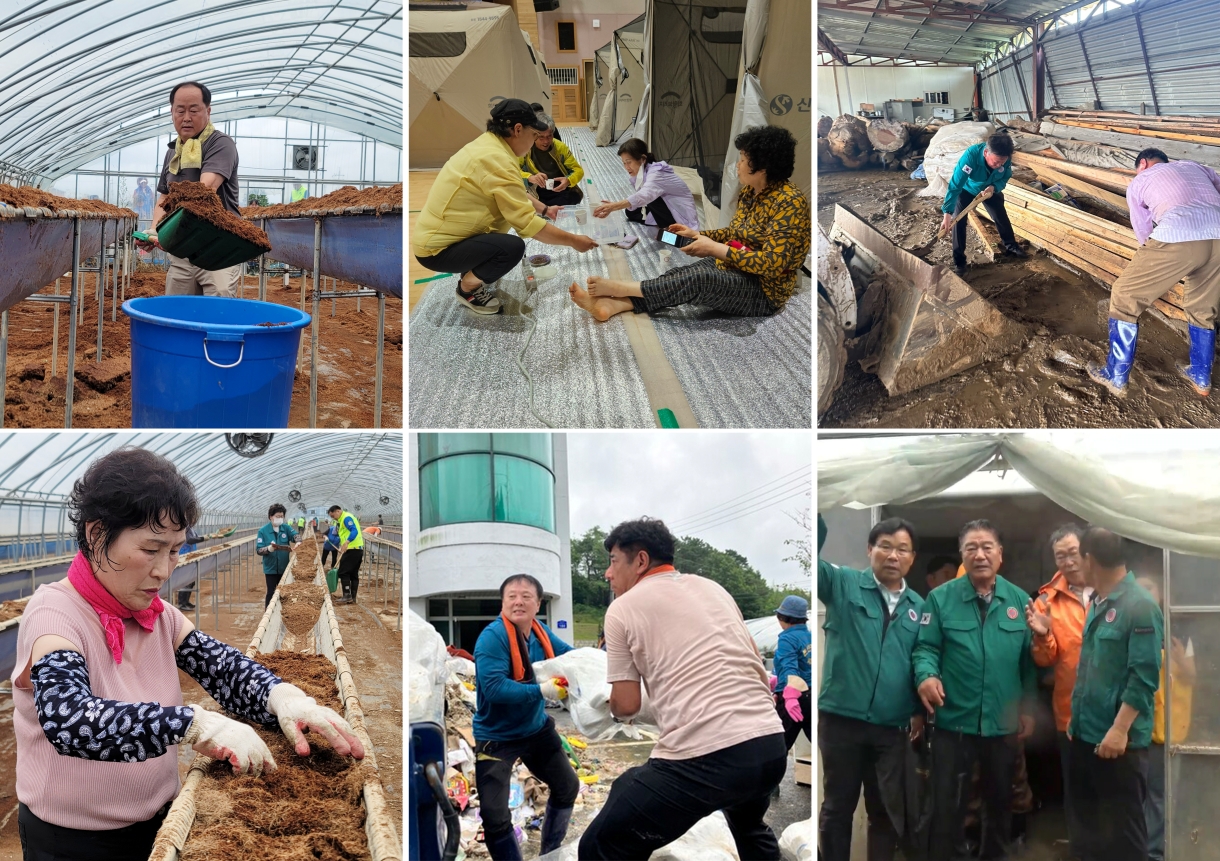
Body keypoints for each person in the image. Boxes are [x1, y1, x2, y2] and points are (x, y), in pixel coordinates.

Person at [11, 448, 363, 861]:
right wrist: (191, 723)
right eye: (151, 549)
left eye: (175, 550)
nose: (165, 570)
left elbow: (223, 670)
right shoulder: (55, 614)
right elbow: (70, 720)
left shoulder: (157, 615)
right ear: (96, 534)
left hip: (161, 821)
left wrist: (282, 697)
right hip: (76, 842)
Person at [579, 518, 786, 860]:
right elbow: (754, 671)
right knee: (749, 826)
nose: (608, 573)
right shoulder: (714, 589)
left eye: (614, 561)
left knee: (602, 844)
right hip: (769, 746)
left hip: (708, 757)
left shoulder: (622, 609)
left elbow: (627, 706)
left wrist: (605, 703)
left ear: (641, 561)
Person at [569, 125, 811, 321]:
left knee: (700, 280)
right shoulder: (751, 192)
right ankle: (614, 305)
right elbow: (734, 232)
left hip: (764, 290)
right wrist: (697, 234)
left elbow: (773, 264)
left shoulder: (789, 203)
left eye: (743, 159)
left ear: (762, 168)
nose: (737, 165)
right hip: (738, 266)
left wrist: (714, 248)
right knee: (684, 272)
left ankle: (620, 289)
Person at [914, 520, 1036, 861]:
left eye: (986, 547)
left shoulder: (1020, 600)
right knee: (949, 807)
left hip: (1002, 724)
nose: (979, 554)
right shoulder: (940, 600)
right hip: (955, 722)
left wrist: (1027, 707)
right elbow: (926, 648)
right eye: (971, 548)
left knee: (999, 804)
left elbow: (1028, 664)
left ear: (1000, 554)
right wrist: (926, 676)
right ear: (962, 556)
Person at [413, 99, 599, 315]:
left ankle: (471, 272)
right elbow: (529, 225)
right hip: (437, 250)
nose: (536, 141)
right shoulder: (497, 159)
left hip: (446, 237)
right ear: (518, 130)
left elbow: (511, 193)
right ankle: (467, 289)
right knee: (511, 248)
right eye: (534, 135)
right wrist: (575, 241)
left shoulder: (489, 145)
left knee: (501, 241)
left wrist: (546, 210)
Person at [816, 514, 924, 861]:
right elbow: (813, 561)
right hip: (841, 721)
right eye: (886, 547)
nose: (893, 556)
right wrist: (821, 507)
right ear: (870, 550)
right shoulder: (843, 584)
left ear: (912, 558)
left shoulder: (919, 608)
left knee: (885, 812)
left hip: (891, 728)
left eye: (902, 549)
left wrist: (918, 712)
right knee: (837, 807)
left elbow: (923, 660)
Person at [1087, 148, 1220, 397]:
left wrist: (1152, 257)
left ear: (1144, 164)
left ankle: (1115, 375)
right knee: (1203, 309)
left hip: (1179, 233)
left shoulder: (1141, 180)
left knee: (1124, 295)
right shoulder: (1196, 167)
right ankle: (1200, 377)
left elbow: (1143, 228)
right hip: (1219, 235)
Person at [1068, 527, 1162, 861]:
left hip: (1118, 746)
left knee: (1125, 839)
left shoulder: (1140, 606)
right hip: (1086, 736)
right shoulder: (1097, 601)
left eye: (1078, 557)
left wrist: (1120, 729)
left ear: (1089, 559)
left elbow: (1144, 677)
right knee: (1089, 835)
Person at [472, 574, 579, 860]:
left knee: (567, 786)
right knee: (494, 817)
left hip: (535, 730)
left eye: (526, 596)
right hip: (497, 738)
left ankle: (550, 853)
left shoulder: (540, 632)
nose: (518, 602)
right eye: (511, 596)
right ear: (503, 602)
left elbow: (569, 657)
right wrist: (542, 690)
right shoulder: (492, 639)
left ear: (538, 603)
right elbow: (494, 689)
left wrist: (596, 663)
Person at [134, 82, 244, 298]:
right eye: (180, 110)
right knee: (177, 310)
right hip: (183, 249)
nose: (186, 117)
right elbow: (165, 198)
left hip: (218, 247)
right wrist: (154, 233)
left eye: (193, 110)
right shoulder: (174, 152)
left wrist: (167, 233)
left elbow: (205, 191)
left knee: (217, 309)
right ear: (172, 112)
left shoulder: (220, 144)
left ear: (208, 111)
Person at [1025, 523, 1090, 858]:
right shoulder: (1046, 600)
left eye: (1073, 552)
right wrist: (1041, 635)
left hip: (1117, 715)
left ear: (1087, 551)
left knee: (1118, 797)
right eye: (1060, 555)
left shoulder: (1114, 587)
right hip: (1071, 716)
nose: (1067, 561)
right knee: (1077, 795)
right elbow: (1045, 659)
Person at [1134, 574, 1194, 861]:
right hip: (1136, 729)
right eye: (1138, 588)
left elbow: (1194, 677)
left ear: (1161, 593)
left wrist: (1180, 660)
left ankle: (1154, 853)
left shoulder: (1177, 632)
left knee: (1160, 796)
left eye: (1149, 587)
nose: (1143, 593)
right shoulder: (1131, 627)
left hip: (1168, 731)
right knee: (1139, 795)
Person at [941, 132, 1026, 278]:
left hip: (989, 189)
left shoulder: (1005, 157)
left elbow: (1005, 177)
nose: (999, 165)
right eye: (996, 162)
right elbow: (955, 186)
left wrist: (994, 187)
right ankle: (959, 262)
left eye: (1002, 162)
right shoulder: (970, 157)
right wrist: (947, 213)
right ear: (986, 153)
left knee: (1000, 215)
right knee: (959, 221)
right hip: (967, 189)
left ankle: (1011, 247)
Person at [591, 138, 700, 232]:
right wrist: (617, 205)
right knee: (630, 212)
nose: (626, 167)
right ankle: (660, 222)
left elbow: (644, 195)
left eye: (629, 162)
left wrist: (613, 206)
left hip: (679, 214)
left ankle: (669, 228)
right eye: (624, 163)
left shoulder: (657, 173)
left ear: (642, 159)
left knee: (649, 198)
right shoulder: (643, 171)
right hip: (664, 206)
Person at [773, 595, 812, 752]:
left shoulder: (787, 639)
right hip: (810, 696)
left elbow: (790, 667)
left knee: (777, 749)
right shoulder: (808, 636)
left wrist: (788, 695)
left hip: (794, 698)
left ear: (784, 618)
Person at [520, 116, 585, 207]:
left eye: (549, 136)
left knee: (574, 196)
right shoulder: (525, 148)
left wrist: (568, 180)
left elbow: (578, 170)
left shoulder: (560, 147)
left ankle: (543, 208)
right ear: (533, 135)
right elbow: (513, 170)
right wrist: (530, 177)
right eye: (541, 137)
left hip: (558, 188)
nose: (546, 141)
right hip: (535, 190)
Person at [256, 504, 299, 608]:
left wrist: (298, 541)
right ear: (271, 516)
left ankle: (283, 613)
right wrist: (269, 549)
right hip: (270, 568)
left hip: (284, 567)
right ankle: (268, 615)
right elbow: (259, 550)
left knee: (284, 592)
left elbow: (296, 535)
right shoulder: (263, 531)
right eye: (278, 516)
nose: (280, 518)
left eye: (282, 516)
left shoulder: (286, 528)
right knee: (271, 592)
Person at [329, 504, 364, 605]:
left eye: (333, 516)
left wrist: (347, 542)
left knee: (343, 572)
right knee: (353, 574)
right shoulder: (342, 520)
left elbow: (354, 530)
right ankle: (352, 597)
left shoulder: (346, 518)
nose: (333, 518)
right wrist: (343, 545)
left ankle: (347, 596)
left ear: (338, 511)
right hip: (357, 549)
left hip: (352, 549)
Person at [175, 524, 203, 611]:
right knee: (185, 581)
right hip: (184, 556)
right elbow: (190, 540)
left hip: (191, 555)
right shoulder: (185, 528)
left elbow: (196, 538)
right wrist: (203, 539)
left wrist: (205, 537)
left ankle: (186, 601)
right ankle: (182, 603)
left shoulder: (191, 529)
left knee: (191, 581)